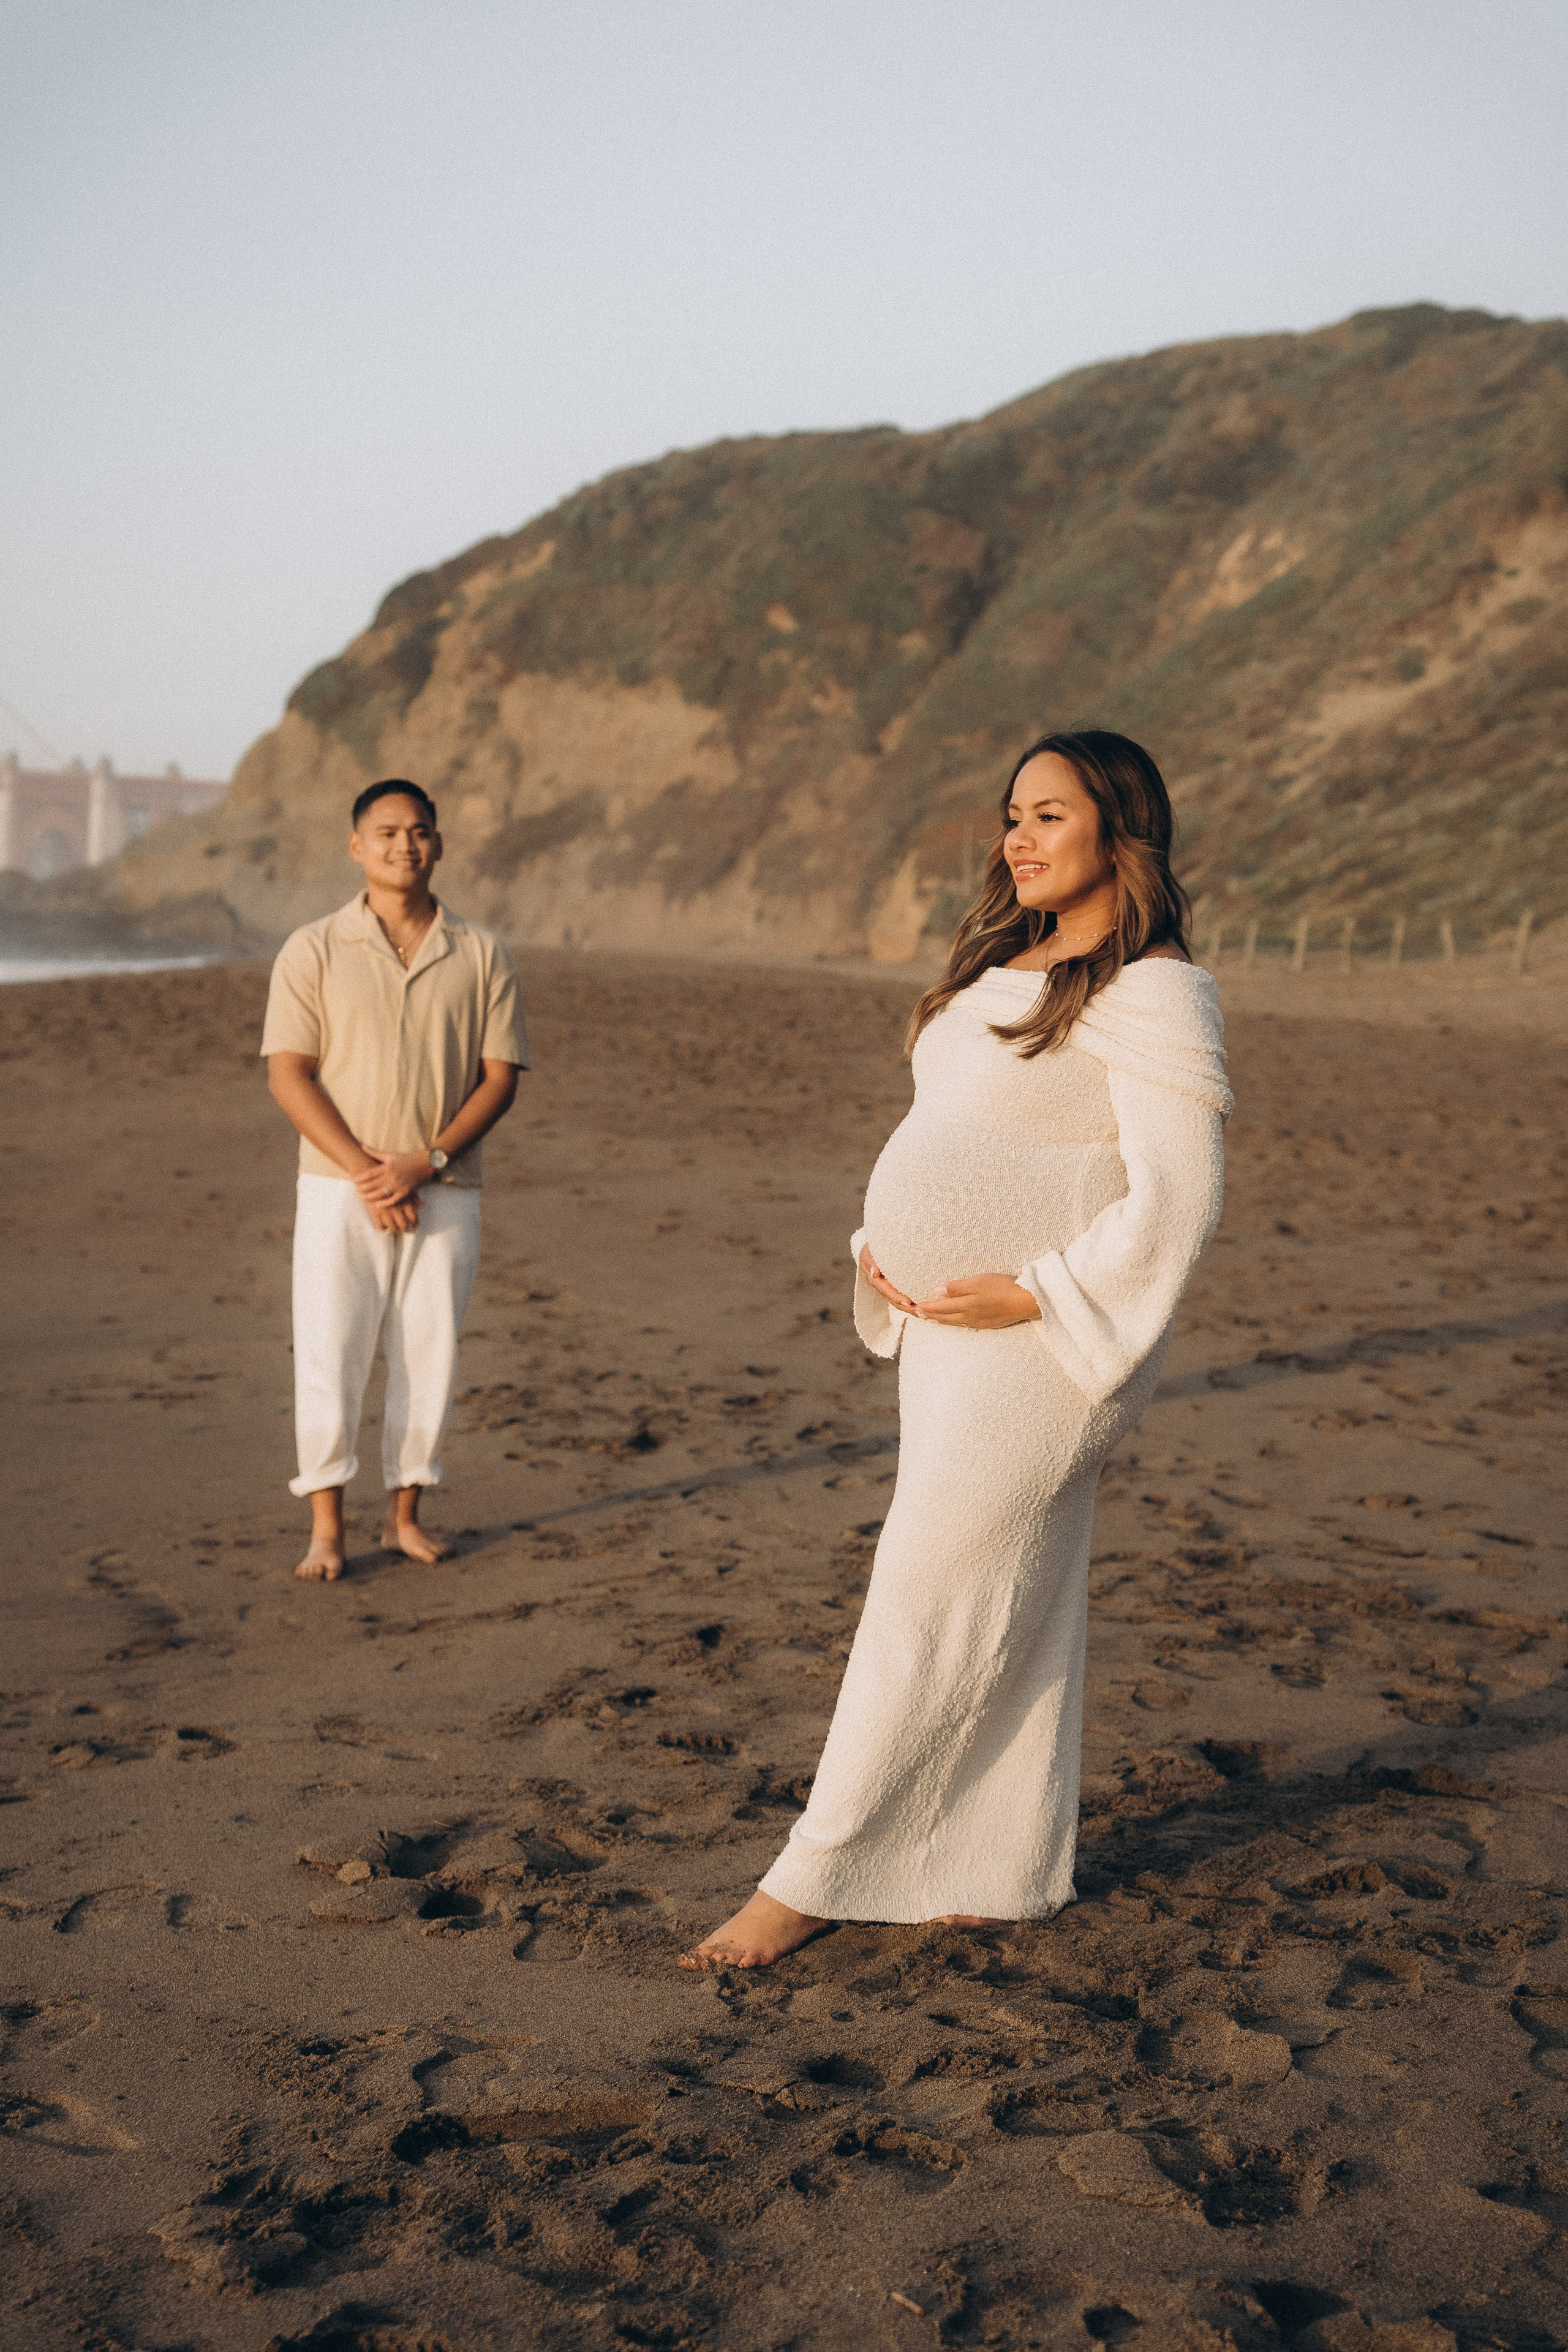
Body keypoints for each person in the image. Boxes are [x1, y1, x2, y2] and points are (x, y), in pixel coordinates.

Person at [681, 730, 1232, 1969]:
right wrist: (882, 1243)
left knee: (921, 1586)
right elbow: (948, 1127)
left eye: (1048, 815)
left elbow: (1178, 1201)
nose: (1018, 839)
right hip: (945, 1335)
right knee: (1019, 1591)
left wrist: (1036, 1296)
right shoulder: (1007, 960)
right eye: (1010, 816)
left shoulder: (1152, 990)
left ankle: (808, 1878)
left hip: (1039, 1347)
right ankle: (997, 1864)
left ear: (1117, 830)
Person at [262, 778, 530, 1581]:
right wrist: (366, 1171)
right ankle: (327, 1528)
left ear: (439, 844)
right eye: (386, 833)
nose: (403, 846)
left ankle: (405, 1517)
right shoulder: (312, 948)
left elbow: (499, 1079)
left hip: (447, 1188)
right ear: (357, 846)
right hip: (338, 1189)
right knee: (330, 1350)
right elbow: (289, 1074)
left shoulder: (480, 952)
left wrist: (427, 1160)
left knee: (430, 1353)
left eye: (418, 832)